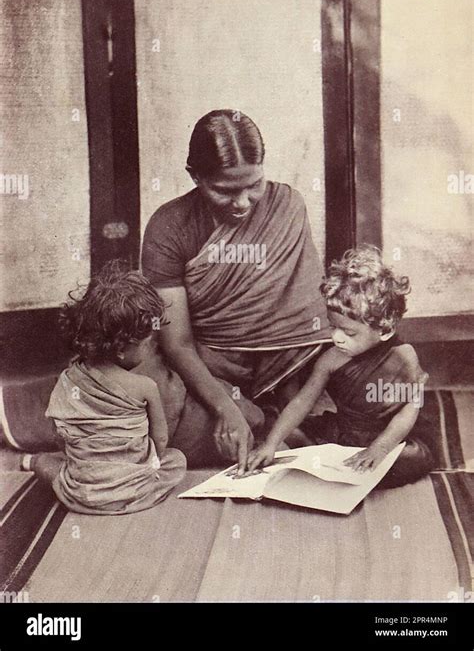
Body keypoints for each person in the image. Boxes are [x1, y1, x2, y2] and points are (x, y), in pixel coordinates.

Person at [141, 109, 330, 472]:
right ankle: (264, 423)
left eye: (254, 185)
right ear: (195, 176)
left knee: (364, 398)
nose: (243, 203)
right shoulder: (168, 227)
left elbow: (306, 314)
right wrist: (225, 407)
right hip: (207, 367)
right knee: (150, 413)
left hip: (286, 367)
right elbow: (176, 343)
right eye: (225, 190)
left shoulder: (287, 206)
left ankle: (272, 420)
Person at [246, 246, 434, 488]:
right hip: (346, 434)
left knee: (409, 460)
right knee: (288, 436)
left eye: (349, 332)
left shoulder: (403, 357)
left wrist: (381, 448)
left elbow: (409, 409)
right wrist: (271, 444)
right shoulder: (331, 359)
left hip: (393, 436)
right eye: (333, 326)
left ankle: (367, 463)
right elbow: (302, 402)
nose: (336, 338)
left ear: (384, 329)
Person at [21, 262, 186, 514]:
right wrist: (149, 462)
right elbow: (161, 438)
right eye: (146, 344)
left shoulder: (69, 380)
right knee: (176, 460)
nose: (151, 348)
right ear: (121, 349)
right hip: (136, 490)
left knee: (52, 464)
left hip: (82, 493)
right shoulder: (145, 386)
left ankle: (30, 461)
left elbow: (60, 434)